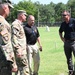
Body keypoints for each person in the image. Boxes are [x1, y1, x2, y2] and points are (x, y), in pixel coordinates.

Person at [0, 0, 17, 75]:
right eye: (9, 8)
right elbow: (6, 45)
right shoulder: (3, 23)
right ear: (4, 7)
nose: (10, 11)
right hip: (3, 62)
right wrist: (13, 63)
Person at [12, 10, 30, 75]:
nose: (26, 17)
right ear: (21, 15)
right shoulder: (16, 24)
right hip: (20, 52)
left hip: (22, 51)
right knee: (24, 69)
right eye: (25, 15)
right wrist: (18, 49)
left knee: (20, 70)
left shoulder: (20, 24)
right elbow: (14, 37)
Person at [59, 10, 75, 75]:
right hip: (66, 43)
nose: (63, 16)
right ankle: (71, 71)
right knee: (69, 58)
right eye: (62, 15)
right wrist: (62, 38)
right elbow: (60, 31)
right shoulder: (63, 24)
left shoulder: (73, 21)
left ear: (68, 15)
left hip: (74, 42)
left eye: (64, 15)